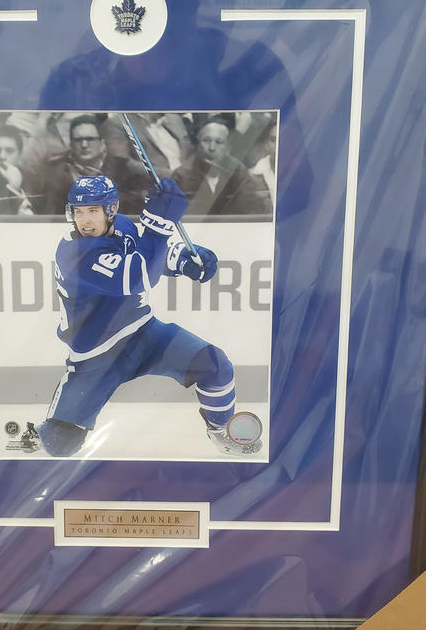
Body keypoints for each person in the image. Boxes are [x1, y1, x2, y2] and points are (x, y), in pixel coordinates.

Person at [26, 175, 262, 458]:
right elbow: (138, 277)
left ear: (112, 210)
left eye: (92, 210)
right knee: (60, 442)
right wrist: (158, 226)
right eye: (78, 211)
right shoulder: (73, 252)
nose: (84, 221)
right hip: (96, 354)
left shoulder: (123, 226)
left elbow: (148, 255)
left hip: (143, 332)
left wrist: (183, 260)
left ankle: (222, 430)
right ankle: (40, 433)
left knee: (215, 365)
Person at [37, 114, 148, 215]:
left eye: (90, 139)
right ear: (71, 144)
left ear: (102, 142)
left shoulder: (122, 170)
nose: (84, 145)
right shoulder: (55, 172)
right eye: (78, 140)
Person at [172, 116, 270, 217]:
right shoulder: (181, 176)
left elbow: (252, 207)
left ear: (228, 147)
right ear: (198, 144)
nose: (212, 148)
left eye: (219, 142)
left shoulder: (238, 170)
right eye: (206, 140)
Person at [0, 125, 36, 216]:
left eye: (9, 151)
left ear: (19, 154)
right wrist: (13, 188)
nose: (2, 156)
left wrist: (14, 188)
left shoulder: (33, 184)